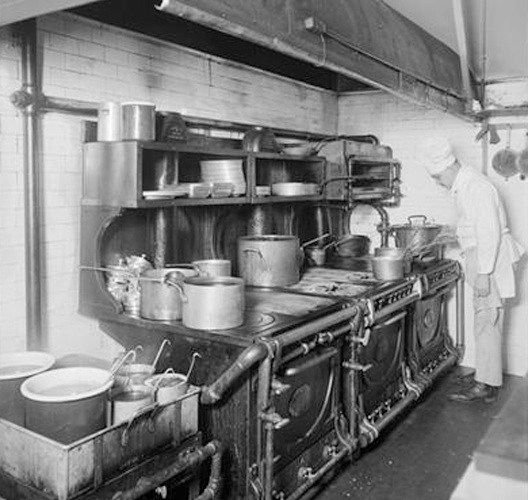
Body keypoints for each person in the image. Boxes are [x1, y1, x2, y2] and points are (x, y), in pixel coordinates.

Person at [422, 137, 524, 403]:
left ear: (448, 168)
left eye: (437, 177)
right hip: (483, 257)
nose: (438, 182)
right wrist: (452, 233)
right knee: (484, 322)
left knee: (487, 322)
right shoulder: (466, 184)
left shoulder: (475, 186)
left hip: (488, 261)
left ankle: (485, 386)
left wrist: (484, 273)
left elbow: (489, 232)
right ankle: (484, 373)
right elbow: (475, 225)